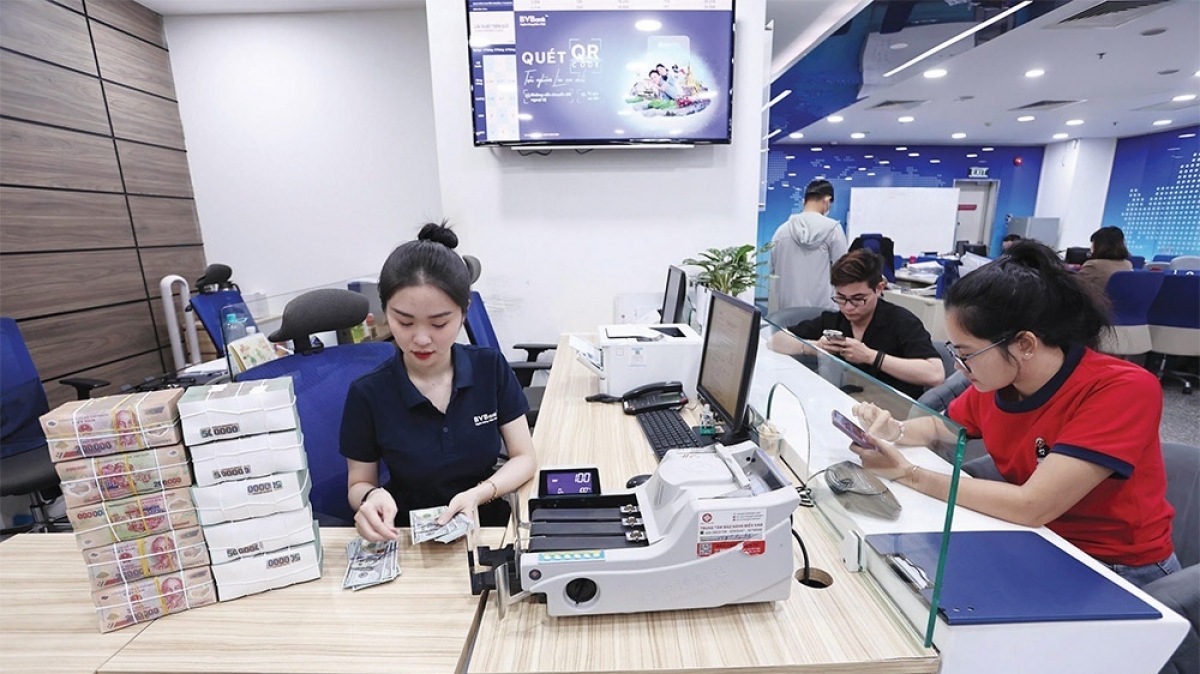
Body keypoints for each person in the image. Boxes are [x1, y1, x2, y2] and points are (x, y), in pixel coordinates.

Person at [850, 241, 1177, 589]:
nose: (959, 367)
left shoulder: (1121, 389)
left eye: (967, 354)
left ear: (1025, 344)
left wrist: (908, 473)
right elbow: (938, 426)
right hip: (1035, 538)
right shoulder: (999, 383)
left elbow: (1031, 505)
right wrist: (894, 430)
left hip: (1115, 565)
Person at [340, 223, 538, 542]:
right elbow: (358, 483)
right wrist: (370, 497)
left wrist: (479, 494)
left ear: (463, 313)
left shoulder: (489, 367)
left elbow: (524, 457)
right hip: (403, 534)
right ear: (385, 312)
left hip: (487, 523)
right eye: (405, 322)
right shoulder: (368, 393)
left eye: (439, 323)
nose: (421, 339)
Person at [771, 249, 944, 400]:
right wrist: (814, 347)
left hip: (893, 409)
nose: (848, 307)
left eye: (858, 299)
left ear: (879, 288)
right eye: (841, 298)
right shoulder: (835, 320)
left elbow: (935, 374)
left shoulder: (902, 322)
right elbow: (775, 340)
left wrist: (871, 357)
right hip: (847, 402)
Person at [769, 179, 849, 312]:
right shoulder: (833, 229)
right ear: (827, 200)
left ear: (804, 201)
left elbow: (773, 271)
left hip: (787, 313)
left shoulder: (781, 232)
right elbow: (844, 271)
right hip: (824, 312)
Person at [1078, 226, 1133, 292]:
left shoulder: (1093, 265)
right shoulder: (1128, 264)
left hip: (1096, 298)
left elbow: (1076, 287)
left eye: (1093, 243)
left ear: (1099, 245)